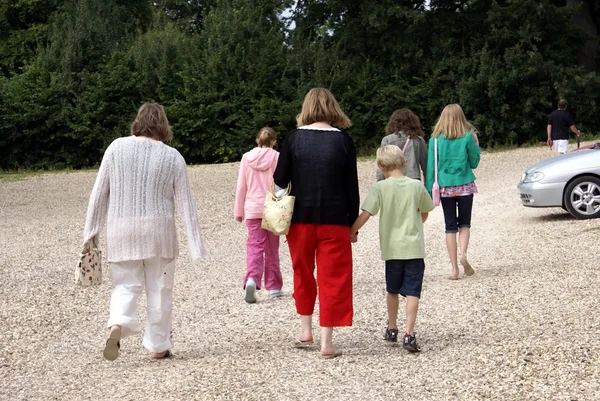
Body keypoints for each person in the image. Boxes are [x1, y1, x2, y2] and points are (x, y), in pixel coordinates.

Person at [82, 103, 207, 361]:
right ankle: (158, 346)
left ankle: (118, 324)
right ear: (163, 125)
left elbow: (98, 194)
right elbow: (186, 204)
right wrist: (196, 245)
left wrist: (90, 233)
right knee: (159, 289)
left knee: (125, 286)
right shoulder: (173, 157)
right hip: (158, 233)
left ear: (137, 122)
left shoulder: (115, 148)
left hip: (121, 230)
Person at [273, 88, 359, 359]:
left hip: (299, 219)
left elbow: (279, 180)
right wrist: (352, 224)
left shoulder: (293, 139)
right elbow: (351, 188)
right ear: (333, 108)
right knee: (333, 277)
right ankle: (327, 342)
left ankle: (305, 329)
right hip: (335, 219)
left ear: (306, 108)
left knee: (302, 271)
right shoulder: (344, 141)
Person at [351, 145, 434, 352]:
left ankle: (392, 328)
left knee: (392, 290)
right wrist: (414, 224)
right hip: (414, 248)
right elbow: (424, 213)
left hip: (392, 249)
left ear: (381, 166)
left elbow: (366, 214)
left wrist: (350, 232)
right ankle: (409, 333)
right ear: (404, 163)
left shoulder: (380, 188)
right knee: (413, 292)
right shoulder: (416, 185)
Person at [425, 104, 480, 280]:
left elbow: (430, 168)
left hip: (445, 187)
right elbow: (474, 163)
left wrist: (428, 190)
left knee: (450, 227)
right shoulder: (467, 137)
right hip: (464, 185)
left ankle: (454, 269)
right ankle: (463, 254)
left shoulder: (434, 140)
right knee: (465, 223)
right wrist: (476, 145)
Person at [234, 127, 282, 303]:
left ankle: (252, 279)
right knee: (272, 247)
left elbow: (241, 186)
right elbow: (282, 184)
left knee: (254, 246)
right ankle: (274, 286)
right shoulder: (277, 157)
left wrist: (239, 211)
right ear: (273, 142)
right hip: (273, 207)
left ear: (257, 140)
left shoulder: (246, 158)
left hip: (253, 208)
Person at [376, 109, 427, 181]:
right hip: (413, 179)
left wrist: (380, 181)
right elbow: (425, 165)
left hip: (392, 179)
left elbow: (382, 163)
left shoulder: (387, 140)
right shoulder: (419, 140)